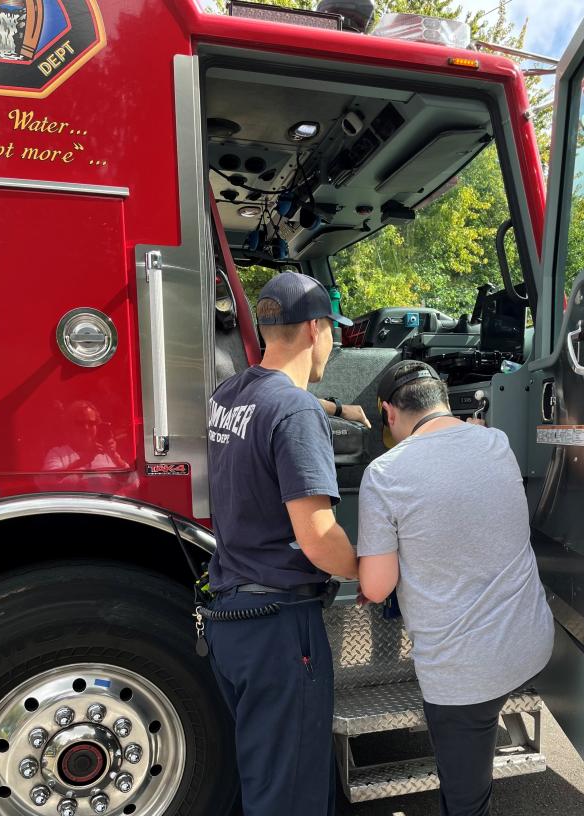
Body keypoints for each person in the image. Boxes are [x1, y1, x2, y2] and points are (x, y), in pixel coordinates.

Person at [356, 360, 554, 816]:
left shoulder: (386, 473)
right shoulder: (496, 443)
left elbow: (377, 585)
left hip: (465, 674)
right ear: (443, 399)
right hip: (529, 643)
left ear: (389, 413)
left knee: (466, 801)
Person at [205, 271, 359, 816]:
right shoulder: (292, 412)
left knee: (267, 774)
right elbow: (318, 540)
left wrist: (339, 410)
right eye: (333, 332)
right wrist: (369, 571)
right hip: (279, 626)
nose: (333, 344)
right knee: (290, 794)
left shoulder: (233, 392)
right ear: (317, 329)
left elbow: (282, 410)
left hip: (232, 615)